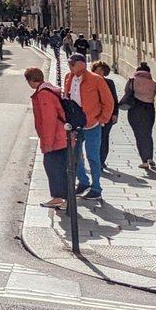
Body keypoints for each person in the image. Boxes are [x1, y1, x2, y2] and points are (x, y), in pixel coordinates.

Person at [63, 54, 114, 201]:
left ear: (82, 64)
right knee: (75, 155)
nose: (70, 67)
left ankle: (96, 187)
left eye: (72, 64)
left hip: (92, 124)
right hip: (75, 124)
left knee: (93, 157)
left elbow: (108, 101)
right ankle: (83, 182)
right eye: (69, 64)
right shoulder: (69, 77)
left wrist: (102, 119)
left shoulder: (96, 79)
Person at [25, 67, 69, 210]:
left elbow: (49, 120)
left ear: (31, 81)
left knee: (54, 168)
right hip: (61, 136)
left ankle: (62, 199)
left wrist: (48, 143)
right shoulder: (48, 90)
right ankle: (61, 198)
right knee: (58, 168)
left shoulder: (44, 95)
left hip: (56, 139)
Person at [124, 62, 156, 171]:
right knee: (148, 133)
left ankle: (144, 160)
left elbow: (127, 92)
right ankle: (150, 156)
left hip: (135, 109)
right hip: (149, 110)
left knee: (139, 135)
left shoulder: (132, 81)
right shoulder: (153, 84)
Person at [92, 61, 119, 169]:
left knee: (104, 138)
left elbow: (114, 99)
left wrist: (115, 114)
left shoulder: (109, 83)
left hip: (107, 115)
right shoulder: (90, 82)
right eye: (97, 70)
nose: (99, 72)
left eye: (101, 70)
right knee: (93, 139)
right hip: (93, 115)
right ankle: (94, 160)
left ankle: (101, 160)